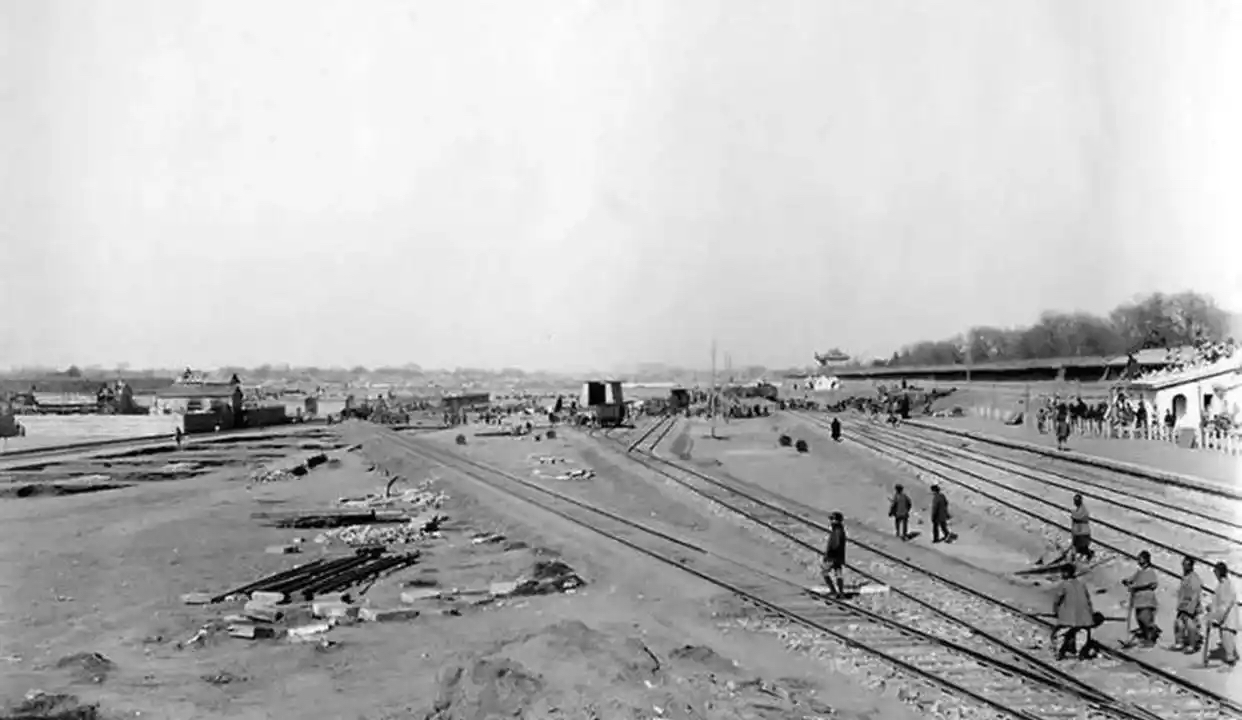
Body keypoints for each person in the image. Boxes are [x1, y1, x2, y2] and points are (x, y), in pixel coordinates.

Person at [1052, 564, 1098, 660]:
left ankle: (1059, 652)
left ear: (1065, 573)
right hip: (1084, 615)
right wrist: (1090, 613)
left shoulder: (1064, 585)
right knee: (1082, 633)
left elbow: (1057, 599)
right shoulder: (1081, 584)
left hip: (1069, 615)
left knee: (1061, 633)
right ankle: (1080, 652)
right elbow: (1088, 600)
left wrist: (1055, 611)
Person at [1123, 551, 1161, 647]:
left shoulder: (1150, 571)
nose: (1138, 560)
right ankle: (1145, 636)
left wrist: (1135, 586)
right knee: (1139, 618)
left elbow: (1151, 584)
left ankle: (1150, 639)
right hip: (1138, 600)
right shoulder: (1140, 571)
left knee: (1145, 618)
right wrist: (1127, 581)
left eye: (1140, 558)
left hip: (1146, 599)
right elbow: (1133, 578)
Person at [1208, 562, 1238, 666]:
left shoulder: (1225, 585)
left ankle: (1230, 660)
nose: (1214, 574)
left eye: (1215, 571)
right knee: (1225, 636)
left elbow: (1225, 604)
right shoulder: (1222, 584)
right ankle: (1230, 657)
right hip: (1225, 617)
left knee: (1227, 636)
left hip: (1227, 617)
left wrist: (1217, 617)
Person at [1174, 556, 1203, 654]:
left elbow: (1195, 595)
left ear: (1190, 566)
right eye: (1183, 564)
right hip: (1183, 605)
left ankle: (1192, 645)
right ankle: (1180, 642)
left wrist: (1190, 609)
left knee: (1190, 625)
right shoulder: (1185, 576)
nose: (1183, 566)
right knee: (1179, 623)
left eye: (1185, 564)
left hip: (1190, 606)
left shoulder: (1194, 578)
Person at [821, 512, 847, 597]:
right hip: (839, 556)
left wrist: (828, 555)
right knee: (838, 573)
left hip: (833, 556)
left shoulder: (837, 531)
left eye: (832, 519)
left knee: (824, 572)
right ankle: (841, 593)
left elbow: (835, 544)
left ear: (837, 520)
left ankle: (833, 591)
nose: (831, 521)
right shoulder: (839, 530)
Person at [1070, 495, 1093, 561]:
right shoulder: (1078, 509)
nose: (1075, 502)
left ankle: (1088, 555)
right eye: (1075, 501)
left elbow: (1077, 517)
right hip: (1078, 531)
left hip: (1082, 532)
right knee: (1077, 546)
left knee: (1080, 546)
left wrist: (1073, 515)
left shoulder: (1083, 510)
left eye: (1076, 501)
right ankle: (1074, 558)